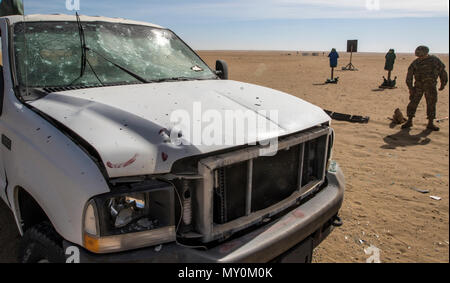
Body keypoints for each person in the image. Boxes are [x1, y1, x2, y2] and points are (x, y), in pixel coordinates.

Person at [402, 46, 448, 131]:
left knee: (431, 104)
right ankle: (409, 120)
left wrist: (443, 83)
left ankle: (430, 123)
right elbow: (409, 76)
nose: (419, 57)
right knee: (413, 103)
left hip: (431, 87)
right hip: (418, 87)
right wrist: (410, 88)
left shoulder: (435, 61)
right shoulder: (415, 62)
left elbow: (443, 72)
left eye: (420, 54)